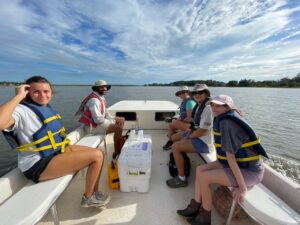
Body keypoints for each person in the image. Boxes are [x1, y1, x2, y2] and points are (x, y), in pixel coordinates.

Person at [0, 76, 110, 208]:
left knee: (100, 153)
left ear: (51, 92)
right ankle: (88, 198)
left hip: (54, 153)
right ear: (27, 92)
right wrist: (18, 97)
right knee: (96, 156)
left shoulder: (45, 107)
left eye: (46, 91)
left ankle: (94, 192)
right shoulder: (20, 110)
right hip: (37, 164)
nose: (42, 95)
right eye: (36, 92)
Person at [177, 95, 269, 225]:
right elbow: (229, 158)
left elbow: (230, 157)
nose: (214, 107)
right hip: (235, 164)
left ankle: (205, 217)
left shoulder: (227, 123)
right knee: (199, 169)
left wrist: (242, 188)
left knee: (204, 177)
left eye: (219, 105)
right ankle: (195, 206)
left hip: (250, 171)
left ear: (228, 107)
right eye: (213, 104)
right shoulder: (223, 119)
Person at [166, 84, 213, 188]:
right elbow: (194, 123)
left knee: (175, 147)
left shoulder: (208, 108)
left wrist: (189, 137)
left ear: (206, 93)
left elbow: (203, 131)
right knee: (174, 138)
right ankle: (181, 159)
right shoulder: (200, 105)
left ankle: (182, 178)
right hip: (196, 134)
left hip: (204, 142)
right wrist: (189, 134)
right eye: (195, 93)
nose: (197, 95)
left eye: (200, 92)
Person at [76, 80, 125, 159]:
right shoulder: (94, 101)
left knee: (121, 121)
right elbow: (98, 120)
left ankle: (119, 144)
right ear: (96, 88)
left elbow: (106, 114)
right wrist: (111, 122)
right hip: (91, 127)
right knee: (118, 129)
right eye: (102, 87)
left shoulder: (101, 98)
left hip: (98, 124)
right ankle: (116, 153)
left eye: (105, 87)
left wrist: (115, 118)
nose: (104, 89)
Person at [163, 86, 197, 150]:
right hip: (187, 123)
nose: (181, 94)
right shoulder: (185, 101)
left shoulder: (189, 102)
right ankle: (171, 141)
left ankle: (171, 141)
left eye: (183, 92)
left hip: (192, 126)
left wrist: (179, 121)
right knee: (171, 124)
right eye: (180, 93)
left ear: (188, 93)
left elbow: (190, 118)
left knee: (173, 123)